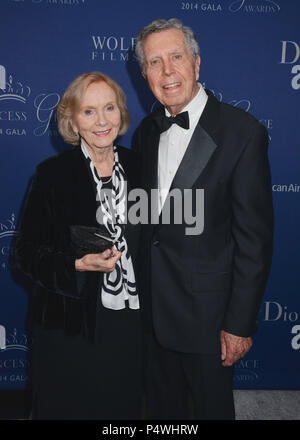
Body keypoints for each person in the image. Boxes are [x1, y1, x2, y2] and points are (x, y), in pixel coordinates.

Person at [135, 18, 273, 420]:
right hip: (152, 314)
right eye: (155, 62)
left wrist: (239, 323)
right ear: (144, 76)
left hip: (208, 321)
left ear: (196, 63)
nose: (167, 71)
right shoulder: (146, 131)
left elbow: (254, 240)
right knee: (162, 414)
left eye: (176, 57)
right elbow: (148, 221)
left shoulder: (242, 133)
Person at [15, 72, 142, 419]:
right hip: (68, 325)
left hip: (129, 326)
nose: (102, 121)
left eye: (109, 108)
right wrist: (75, 266)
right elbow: (24, 254)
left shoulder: (141, 168)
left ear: (121, 113)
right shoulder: (52, 174)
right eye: (89, 111)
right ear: (72, 121)